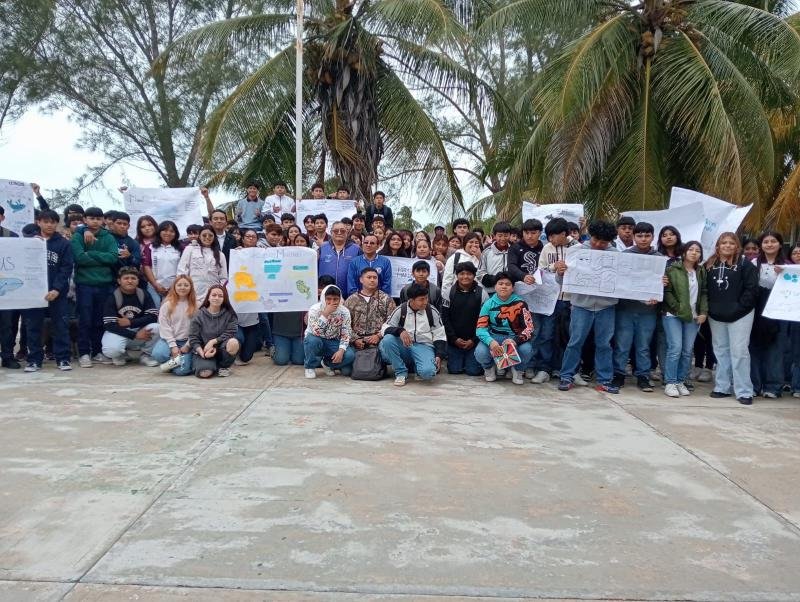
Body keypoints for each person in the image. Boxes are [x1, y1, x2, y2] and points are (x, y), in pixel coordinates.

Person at [556, 220, 620, 393]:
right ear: (590, 236)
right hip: (580, 305)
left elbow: (623, 282)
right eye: (596, 240)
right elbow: (561, 281)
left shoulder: (616, 255)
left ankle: (605, 380)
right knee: (575, 341)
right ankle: (566, 376)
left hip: (606, 307)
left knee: (604, 344)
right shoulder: (575, 252)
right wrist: (560, 272)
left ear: (610, 241)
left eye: (604, 242)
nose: (599, 244)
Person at [706, 232, 759, 405]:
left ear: (737, 246)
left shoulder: (745, 264)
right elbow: (704, 289)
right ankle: (722, 386)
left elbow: (751, 290)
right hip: (716, 315)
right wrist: (710, 309)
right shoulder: (710, 264)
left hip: (740, 315)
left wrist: (739, 308)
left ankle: (744, 390)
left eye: (731, 243)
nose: (727, 246)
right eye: (724, 243)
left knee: (739, 351)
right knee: (720, 351)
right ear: (718, 246)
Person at [611, 222, 662, 392]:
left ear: (652, 237)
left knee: (643, 345)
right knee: (622, 344)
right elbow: (619, 280)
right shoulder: (624, 255)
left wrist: (663, 284)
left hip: (648, 311)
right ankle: (618, 374)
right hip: (625, 309)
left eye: (647, 236)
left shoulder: (659, 258)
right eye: (639, 235)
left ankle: (643, 376)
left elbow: (663, 284)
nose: (643, 239)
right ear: (634, 237)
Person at [21, 210, 74, 372]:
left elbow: (66, 268)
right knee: (33, 326)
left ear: (57, 224)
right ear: (38, 222)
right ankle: (34, 360)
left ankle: (63, 359)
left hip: (56, 293)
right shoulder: (29, 242)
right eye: (46, 221)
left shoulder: (63, 243)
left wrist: (57, 289)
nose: (49, 224)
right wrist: (30, 243)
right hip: (34, 292)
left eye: (53, 222)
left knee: (60, 325)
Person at [72, 206, 120, 368]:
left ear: (103, 220)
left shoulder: (108, 237)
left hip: (105, 284)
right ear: (85, 220)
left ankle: (98, 352)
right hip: (85, 284)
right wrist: (101, 258)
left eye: (98, 218)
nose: (95, 221)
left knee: (100, 319)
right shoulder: (78, 235)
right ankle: (84, 352)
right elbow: (78, 258)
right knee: (85, 319)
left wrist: (90, 254)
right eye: (91, 218)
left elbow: (113, 257)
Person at [662, 241, 708, 398]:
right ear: (684, 252)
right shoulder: (672, 269)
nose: (694, 253)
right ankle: (670, 382)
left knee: (688, 351)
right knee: (675, 348)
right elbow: (667, 292)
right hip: (673, 315)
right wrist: (678, 308)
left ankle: (681, 380)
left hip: (693, 316)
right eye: (691, 249)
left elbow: (703, 292)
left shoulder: (701, 271)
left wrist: (703, 312)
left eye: (698, 250)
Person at [380, 283, 447, 386]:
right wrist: (400, 331)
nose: (425, 302)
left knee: (428, 373)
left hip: (425, 346)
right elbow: (384, 328)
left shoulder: (432, 311)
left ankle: (417, 367)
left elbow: (440, 335)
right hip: (405, 345)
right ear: (411, 300)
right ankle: (401, 372)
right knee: (387, 340)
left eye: (426, 298)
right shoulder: (401, 310)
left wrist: (439, 355)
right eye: (421, 299)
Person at [474, 272, 534, 385]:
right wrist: (490, 342)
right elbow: (480, 328)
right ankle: (489, 368)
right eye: (500, 283)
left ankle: (518, 369)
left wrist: (516, 340)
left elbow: (529, 328)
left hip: (514, 337)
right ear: (495, 286)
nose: (504, 286)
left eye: (507, 284)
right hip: (494, 337)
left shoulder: (521, 303)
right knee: (480, 352)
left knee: (526, 350)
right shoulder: (488, 303)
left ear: (513, 288)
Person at [750, 231, 786, 399]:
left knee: (775, 349)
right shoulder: (751, 263)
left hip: (779, 311)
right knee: (753, 348)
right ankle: (754, 385)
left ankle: (773, 386)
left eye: (773, 241)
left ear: (780, 244)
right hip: (755, 310)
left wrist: (784, 275)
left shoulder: (788, 266)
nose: (769, 244)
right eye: (766, 241)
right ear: (761, 245)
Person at [101, 267, 160, 367]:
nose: (130, 281)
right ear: (119, 281)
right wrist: (134, 335)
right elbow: (109, 324)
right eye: (126, 278)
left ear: (137, 281)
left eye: (133, 278)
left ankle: (146, 355)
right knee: (111, 350)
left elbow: (153, 316)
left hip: (138, 330)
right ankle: (120, 354)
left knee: (157, 328)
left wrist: (131, 322)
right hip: (119, 331)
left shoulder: (143, 294)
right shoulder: (112, 296)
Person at [441, 262, 486, 376]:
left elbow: (485, 321)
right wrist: (454, 339)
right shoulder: (449, 293)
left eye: (469, 274)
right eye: (462, 273)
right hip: (455, 341)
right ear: (457, 275)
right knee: (454, 370)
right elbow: (445, 318)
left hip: (474, 341)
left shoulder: (482, 294)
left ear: (474, 275)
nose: (465, 277)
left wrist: (474, 339)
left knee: (473, 371)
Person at [187, 284, 240, 378]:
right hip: (205, 350)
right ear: (208, 297)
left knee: (233, 343)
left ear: (224, 299)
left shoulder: (230, 314)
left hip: (222, 349)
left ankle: (224, 366)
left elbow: (231, 332)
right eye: (214, 295)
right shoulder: (199, 315)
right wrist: (202, 352)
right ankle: (209, 364)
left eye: (220, 296)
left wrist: (213, 341)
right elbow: (193, 338)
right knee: (204, 374)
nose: (217, 298)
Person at [303, 284, 355, 378]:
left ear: (340, 299)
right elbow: (315, 332)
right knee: (312, 340)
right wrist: (326, 313)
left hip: (333, 341)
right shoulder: (315, 309)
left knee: (350, 355)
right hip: (316, 339)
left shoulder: (344, 312)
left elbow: (346, 333)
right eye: (328, 299)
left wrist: (341, 350)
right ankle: (309, 366)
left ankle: (327, 364)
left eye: (335, 299)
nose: (332, 302)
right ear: (323, 298)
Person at [152, 275, 197, 375]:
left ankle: (184, 361)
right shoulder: (167, 305)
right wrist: (173, 346)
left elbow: (197, 329)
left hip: (187, 342)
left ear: (191, 287)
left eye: (186, 285)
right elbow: (164, 327)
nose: (182, 287)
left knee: (181, 372)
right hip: (170, 339)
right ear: (174, 287)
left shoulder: (195, 306)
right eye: (179, 285)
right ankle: (177, 360)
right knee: (158, 354)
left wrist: (188, 345)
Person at [344, 267, 396, 352]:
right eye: (369, 277)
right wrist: (355, 339)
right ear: (361, 279)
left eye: (375, 278)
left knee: (386, 355)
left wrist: (378, 336)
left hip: (380, 340)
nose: (372, 280)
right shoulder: (351, 300)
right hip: (356, 342)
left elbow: (392, 322)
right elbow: (345, 324)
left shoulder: (386, 299)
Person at [177, 225, 227, 303]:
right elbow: (182, 271)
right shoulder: (190, 249)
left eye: (210, 235)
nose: (207, 237)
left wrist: (218, 290)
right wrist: (184, 288)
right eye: (204, 235)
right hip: (193, 292)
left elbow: (223, 277)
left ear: (214, 237)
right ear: (199, 237)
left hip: (212, 295)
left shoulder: (220, 255)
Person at [142, 220, 182, 307]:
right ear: (159, 232)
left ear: (175, 233)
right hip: (154, 286)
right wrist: (156, 285)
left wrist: (174, 286)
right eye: (165, 230)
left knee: (170, 311)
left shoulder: (180, 248)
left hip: (174, 287)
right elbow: (146, 266)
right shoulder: (150, 247)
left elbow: (183, 268)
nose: (168, 233)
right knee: (155, 309)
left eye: (171, 231)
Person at [318, 221, 362, 291]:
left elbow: (362, 272)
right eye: (335, 231)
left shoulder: (356, 249)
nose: (339, 233)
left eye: (342, 231)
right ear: (331, 232)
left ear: (347, 232)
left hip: (350, 293)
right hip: (326, 294)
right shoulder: (322, 248)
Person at [346, 233, 392, 297]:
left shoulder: (385, 262)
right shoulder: (354, 262)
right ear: (362, 244)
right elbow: (351, 284)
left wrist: (380, 299)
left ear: (378, 246)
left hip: (379, 300)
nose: (368, 245)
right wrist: (358, 298)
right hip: (359, 300)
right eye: (366, 242)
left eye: (372, 243)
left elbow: (386, 285)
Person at [441, 232, 482, 301]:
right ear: (465, 243)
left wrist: (480, 257)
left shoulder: (479, 258)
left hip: (475, 298)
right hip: (456, 296)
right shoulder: (455, 257)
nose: (474, 245)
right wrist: (445, 297)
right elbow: (447, 280)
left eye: (476, 242)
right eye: (471, 242)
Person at [477, 221, 512, 295]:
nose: (503, 238)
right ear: (494, 236)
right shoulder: (486, 252)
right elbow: (480, 273)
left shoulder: (514, 250)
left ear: (510, 235)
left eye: (506, 235)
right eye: (500, 235)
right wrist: (494, 279)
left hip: (510, 292)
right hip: (491, 292)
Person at [108, 211, 142, 278]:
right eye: (119, 223)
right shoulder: (105, 237)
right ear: (112, 224)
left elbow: (137, 263)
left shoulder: (133, 243)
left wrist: (129, 256)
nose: (122, 226)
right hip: (105, 278)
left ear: (128, 226)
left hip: (124, 281)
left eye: (125, 224)